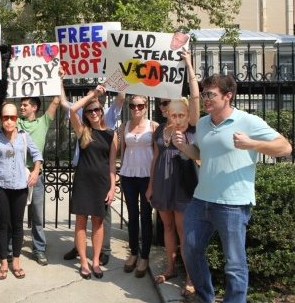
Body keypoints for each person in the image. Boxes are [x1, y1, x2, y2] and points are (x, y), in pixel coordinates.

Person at [175, 74, 292, 303]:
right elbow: (200, 155)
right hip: (201, 200)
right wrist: (183, 147)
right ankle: (204, 296)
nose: (205, 99)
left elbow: (285, 147)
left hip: (233, 204)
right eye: (204, 93)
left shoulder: (248, 121)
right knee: (190, 250)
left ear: (228, 96)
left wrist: (252, 144)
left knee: (234, 264)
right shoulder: (202, 123)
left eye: (211, 94)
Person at [145, 50, 200, 295]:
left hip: (183, 185)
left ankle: (191, 276)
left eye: (169, 102)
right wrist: (150, 185)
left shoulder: (189, 126)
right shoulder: (159, 131)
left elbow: (196, 97)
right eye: (163, 103)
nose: (165, 107)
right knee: (166, 228)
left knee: (183, 230)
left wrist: (188, 65)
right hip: (162, 184)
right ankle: (170, 267)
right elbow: (156, 158)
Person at [62, 85, 125, 266]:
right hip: (83, 182)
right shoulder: (83, 131)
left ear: (102, 111)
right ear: (86, 114)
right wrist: (93, 96)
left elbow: (112, 164)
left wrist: (113, 188)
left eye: (97, 109)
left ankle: (96, 261)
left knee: (98, 223)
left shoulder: (112, 134)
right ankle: (83, 261)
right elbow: (73, 109)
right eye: (89, 111)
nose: (94, 113)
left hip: (102, 183)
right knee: (81, 222)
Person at [0, 103, 43, 280]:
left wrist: (36, 172)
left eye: (12, 117)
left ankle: (16, 261)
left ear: (17, 119)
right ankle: (4, 263)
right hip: (0, 185)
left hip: (20, 186)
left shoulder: (24, 136)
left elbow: (38, 155)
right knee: (2, 225)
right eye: (5, 117)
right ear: (1, 118)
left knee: (17, 225)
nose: (9, 121)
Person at [16, 92, 61, 266]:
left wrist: (59, 78)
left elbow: (56, 101)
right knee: (16, 215)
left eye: (25, 105)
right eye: (21, 104)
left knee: (37, 217)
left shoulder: (43, 122)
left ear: (34, 107)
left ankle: (39, 249)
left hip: (36, 176)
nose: (22, 107)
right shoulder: (15, 122)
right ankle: (13, 247)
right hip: (17, 176)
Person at [119, 95, 158, 277]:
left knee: (145, 216)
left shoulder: (154, 126)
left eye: (140, 105)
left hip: (146, 177)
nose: (136, 108)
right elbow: (122, 151)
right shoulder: (124, 126)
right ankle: (133, 253)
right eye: (133, 105)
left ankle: (145, 256)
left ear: (146, 106)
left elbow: (157, 155)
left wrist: (153, 183)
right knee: (132, 215)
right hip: (128, 175)